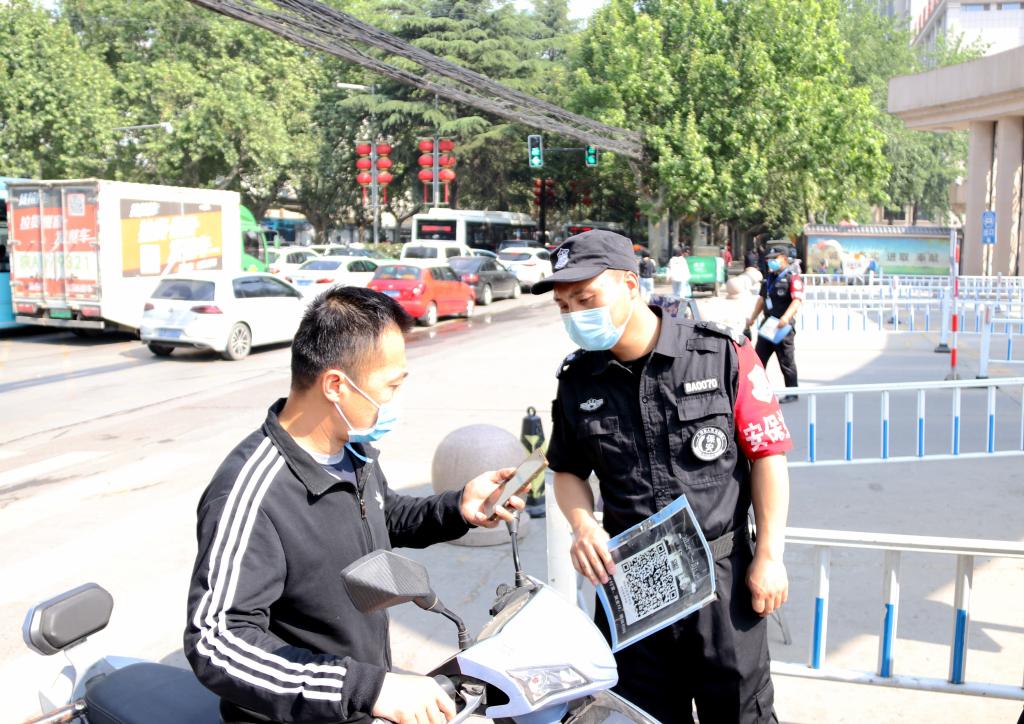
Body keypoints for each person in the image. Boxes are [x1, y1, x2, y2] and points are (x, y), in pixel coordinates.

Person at [184, 286, 525, 724]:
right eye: (391, 386)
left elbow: (383, 515)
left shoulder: (350, 451)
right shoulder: (251, 494)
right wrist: (367, 687)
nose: (394, 401)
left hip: (362, 702)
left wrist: (458, 507)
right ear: (336, 386)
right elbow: (216, 641)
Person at [533, 230, 792, 724]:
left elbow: (768, 456)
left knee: (741, 714)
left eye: (585, 299)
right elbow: (566, 470)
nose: (574, 314)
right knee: (640, 716)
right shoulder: (578, 380)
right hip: (634, 584)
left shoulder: (720, 353)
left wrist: (769, 556)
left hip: (722, 581)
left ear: (630, 285)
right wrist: (584, 524)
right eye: (564, 306)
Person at [746, 244, 803, 403]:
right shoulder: (768, 279)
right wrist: (752, 318)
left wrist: (786, 317)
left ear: (784, 259)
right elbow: (762, 300)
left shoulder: (792, 278)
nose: (771, 262)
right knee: (758, 360)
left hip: (783, 327)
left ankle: (792, 392)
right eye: (769, 259)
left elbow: (797, 301)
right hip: (768, 325)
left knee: (786, 361)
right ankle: (757, 391)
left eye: (774, 258)